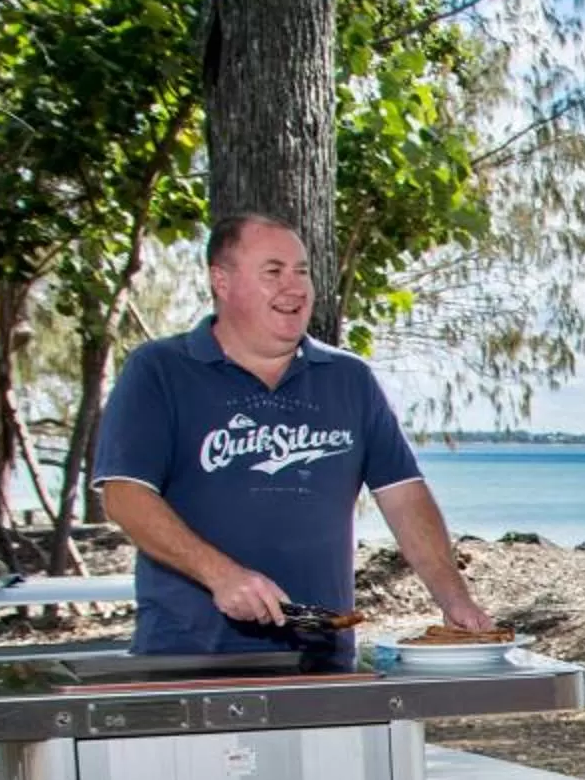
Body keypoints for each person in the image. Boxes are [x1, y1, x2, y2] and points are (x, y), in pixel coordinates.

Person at [94, 214, 492, 667]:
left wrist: (454, 598)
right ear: (221, 281)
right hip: (190, 657)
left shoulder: (349, 379)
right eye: (273, 271)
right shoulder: (160, 370)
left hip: (321, 660)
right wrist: (221, 576)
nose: (295, 287)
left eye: (302, 271)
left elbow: (403, 495)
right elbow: (124, 495)